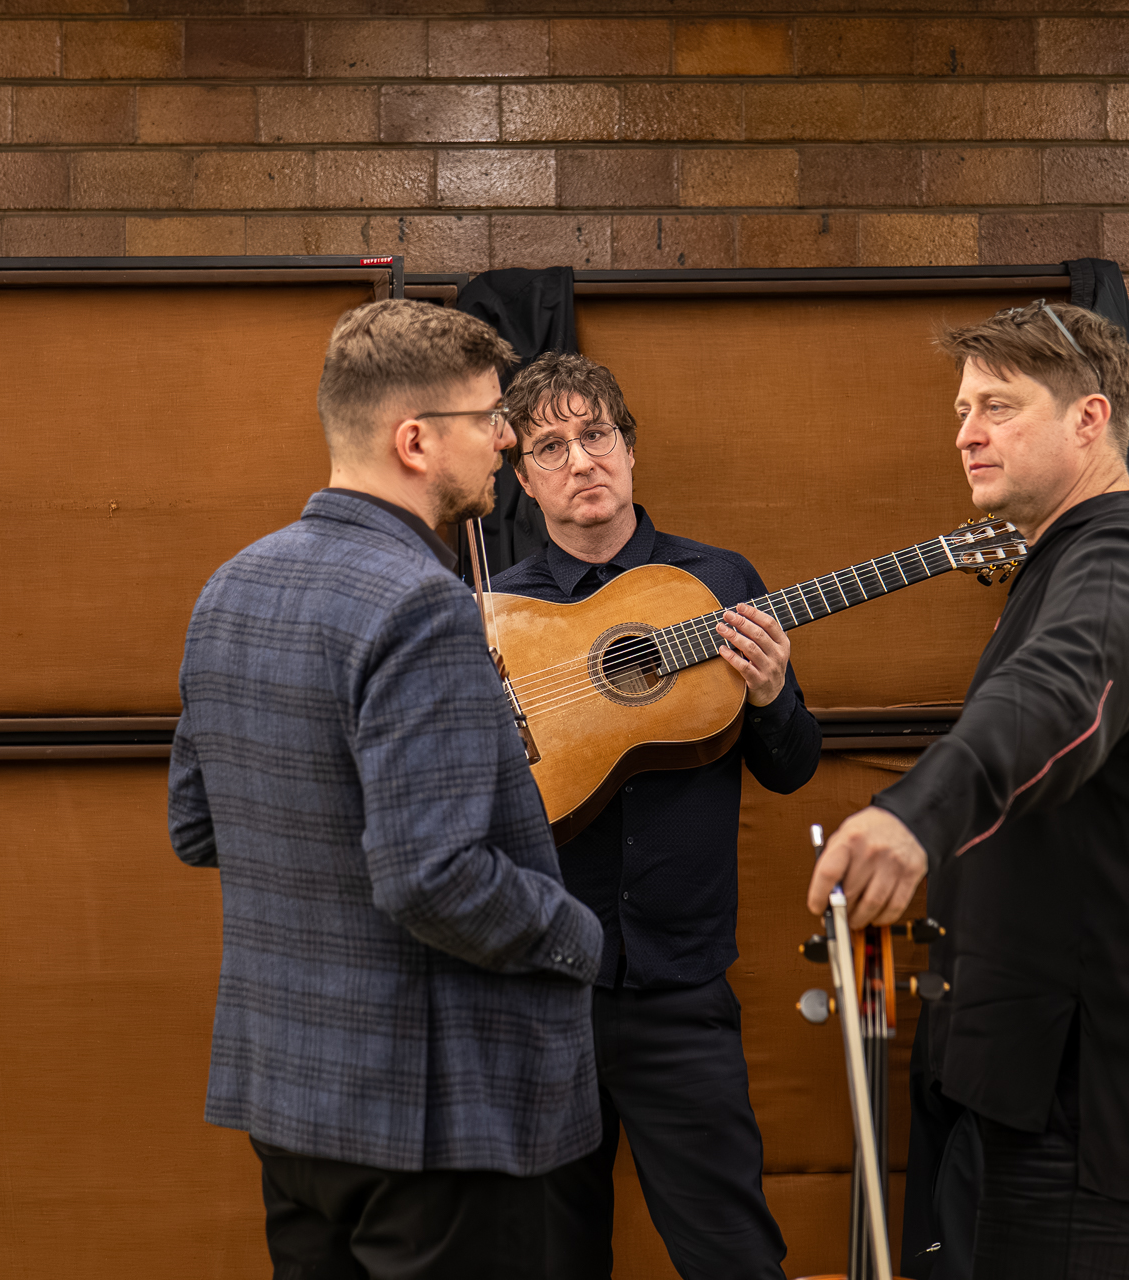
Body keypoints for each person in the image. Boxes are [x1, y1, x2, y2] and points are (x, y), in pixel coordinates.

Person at [807, 300, 1129, 1278]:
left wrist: (914, 816)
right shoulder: (1081, 557)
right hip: (1046, 1090)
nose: (967, 432)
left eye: (1000, 406)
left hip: (1095, 1112)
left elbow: (1060, 695)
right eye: (962, 409)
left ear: (1090, 419)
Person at [168, 300, 604, 1280]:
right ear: (415, 441)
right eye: (488, 418)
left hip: (292, 1101)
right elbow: (430, 876)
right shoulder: (422, 605)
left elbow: (196, 825)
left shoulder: (230, 586)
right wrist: (575, 936)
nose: (505, 440)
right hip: (432, 1119)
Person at [488, 352, 822, 1280]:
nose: (580, 461)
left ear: (629, 449)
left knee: (734, 1257)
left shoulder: (715, 583)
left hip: (682, 988)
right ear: (525, 481)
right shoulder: (499, 615)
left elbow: (792, 768)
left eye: (595, 434)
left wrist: (771, 695)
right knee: (552, 1261)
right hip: (545, 995)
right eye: (550, 448)